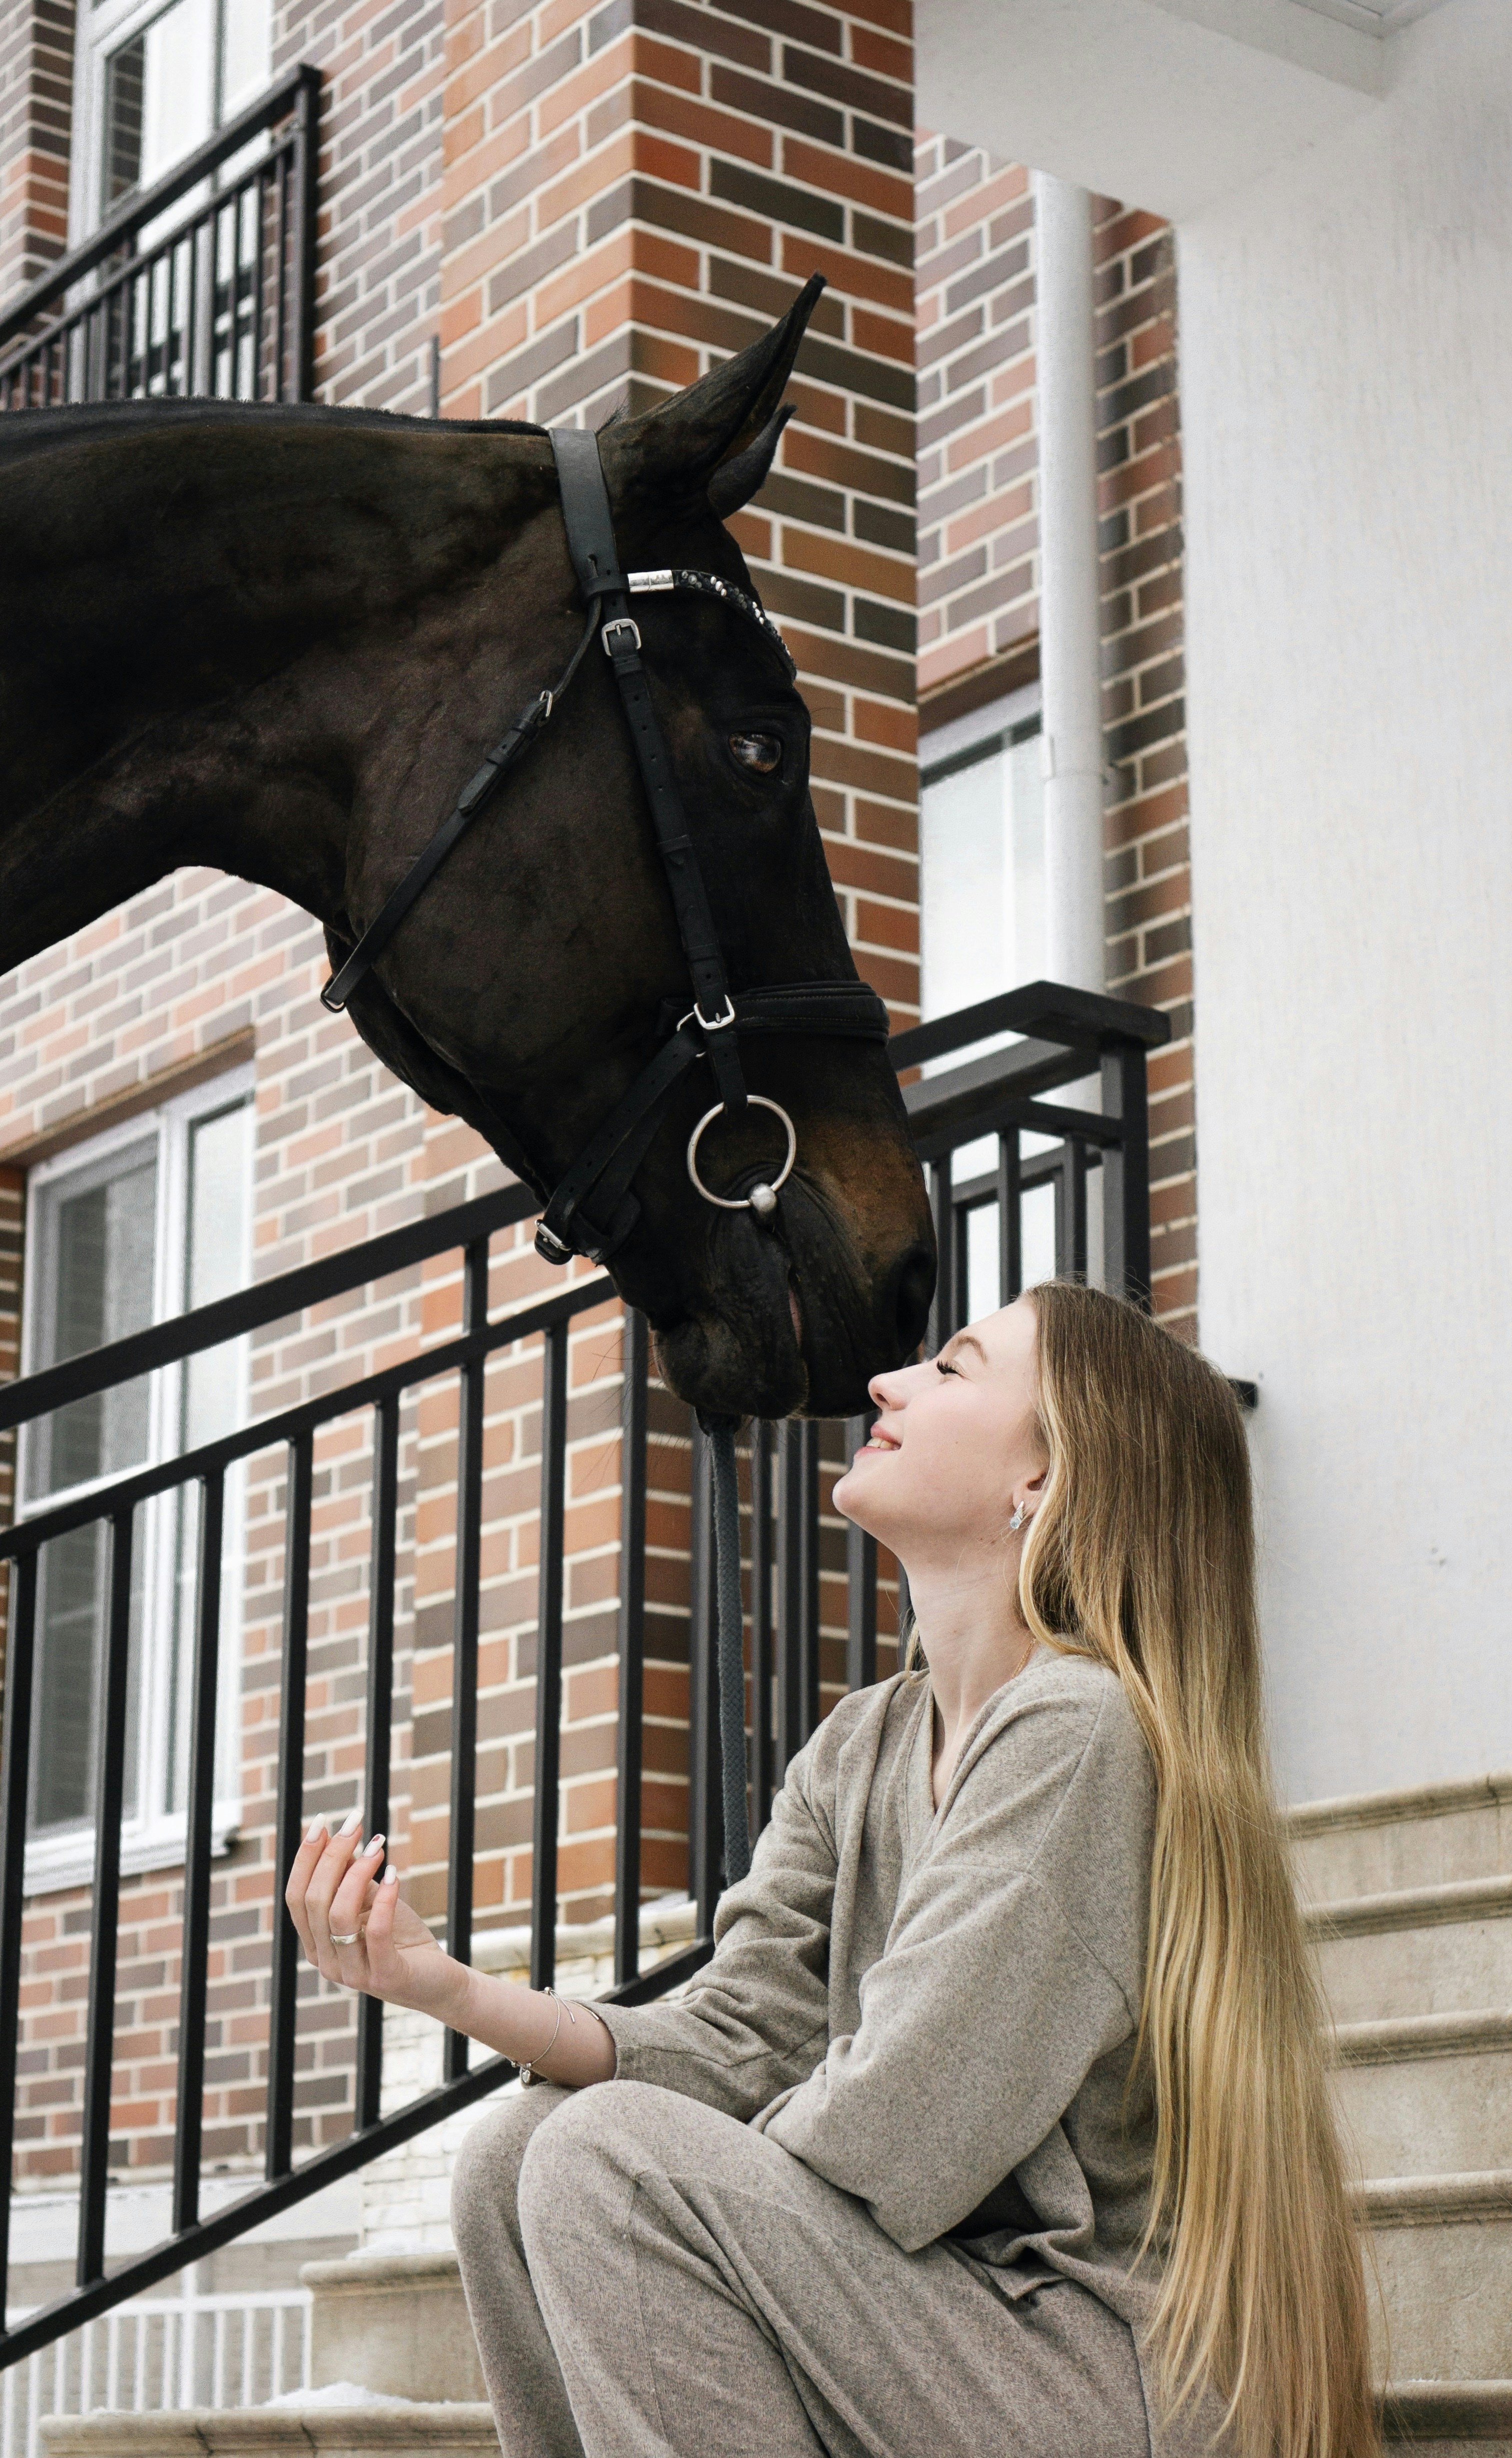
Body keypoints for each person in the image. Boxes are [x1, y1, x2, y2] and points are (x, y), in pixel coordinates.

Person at [285, 1282, 1377, 2458]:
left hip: (1101, 2367)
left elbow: (901, 2129)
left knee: (611, 2164)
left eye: (954, 1368)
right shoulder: (865, 1743)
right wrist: (445, 1988)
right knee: (515, 2153)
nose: (886, 1382)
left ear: (1044, 1482)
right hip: (942, 2328)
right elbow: (737, 2033)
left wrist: (676, 2166)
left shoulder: (1078, 1731)